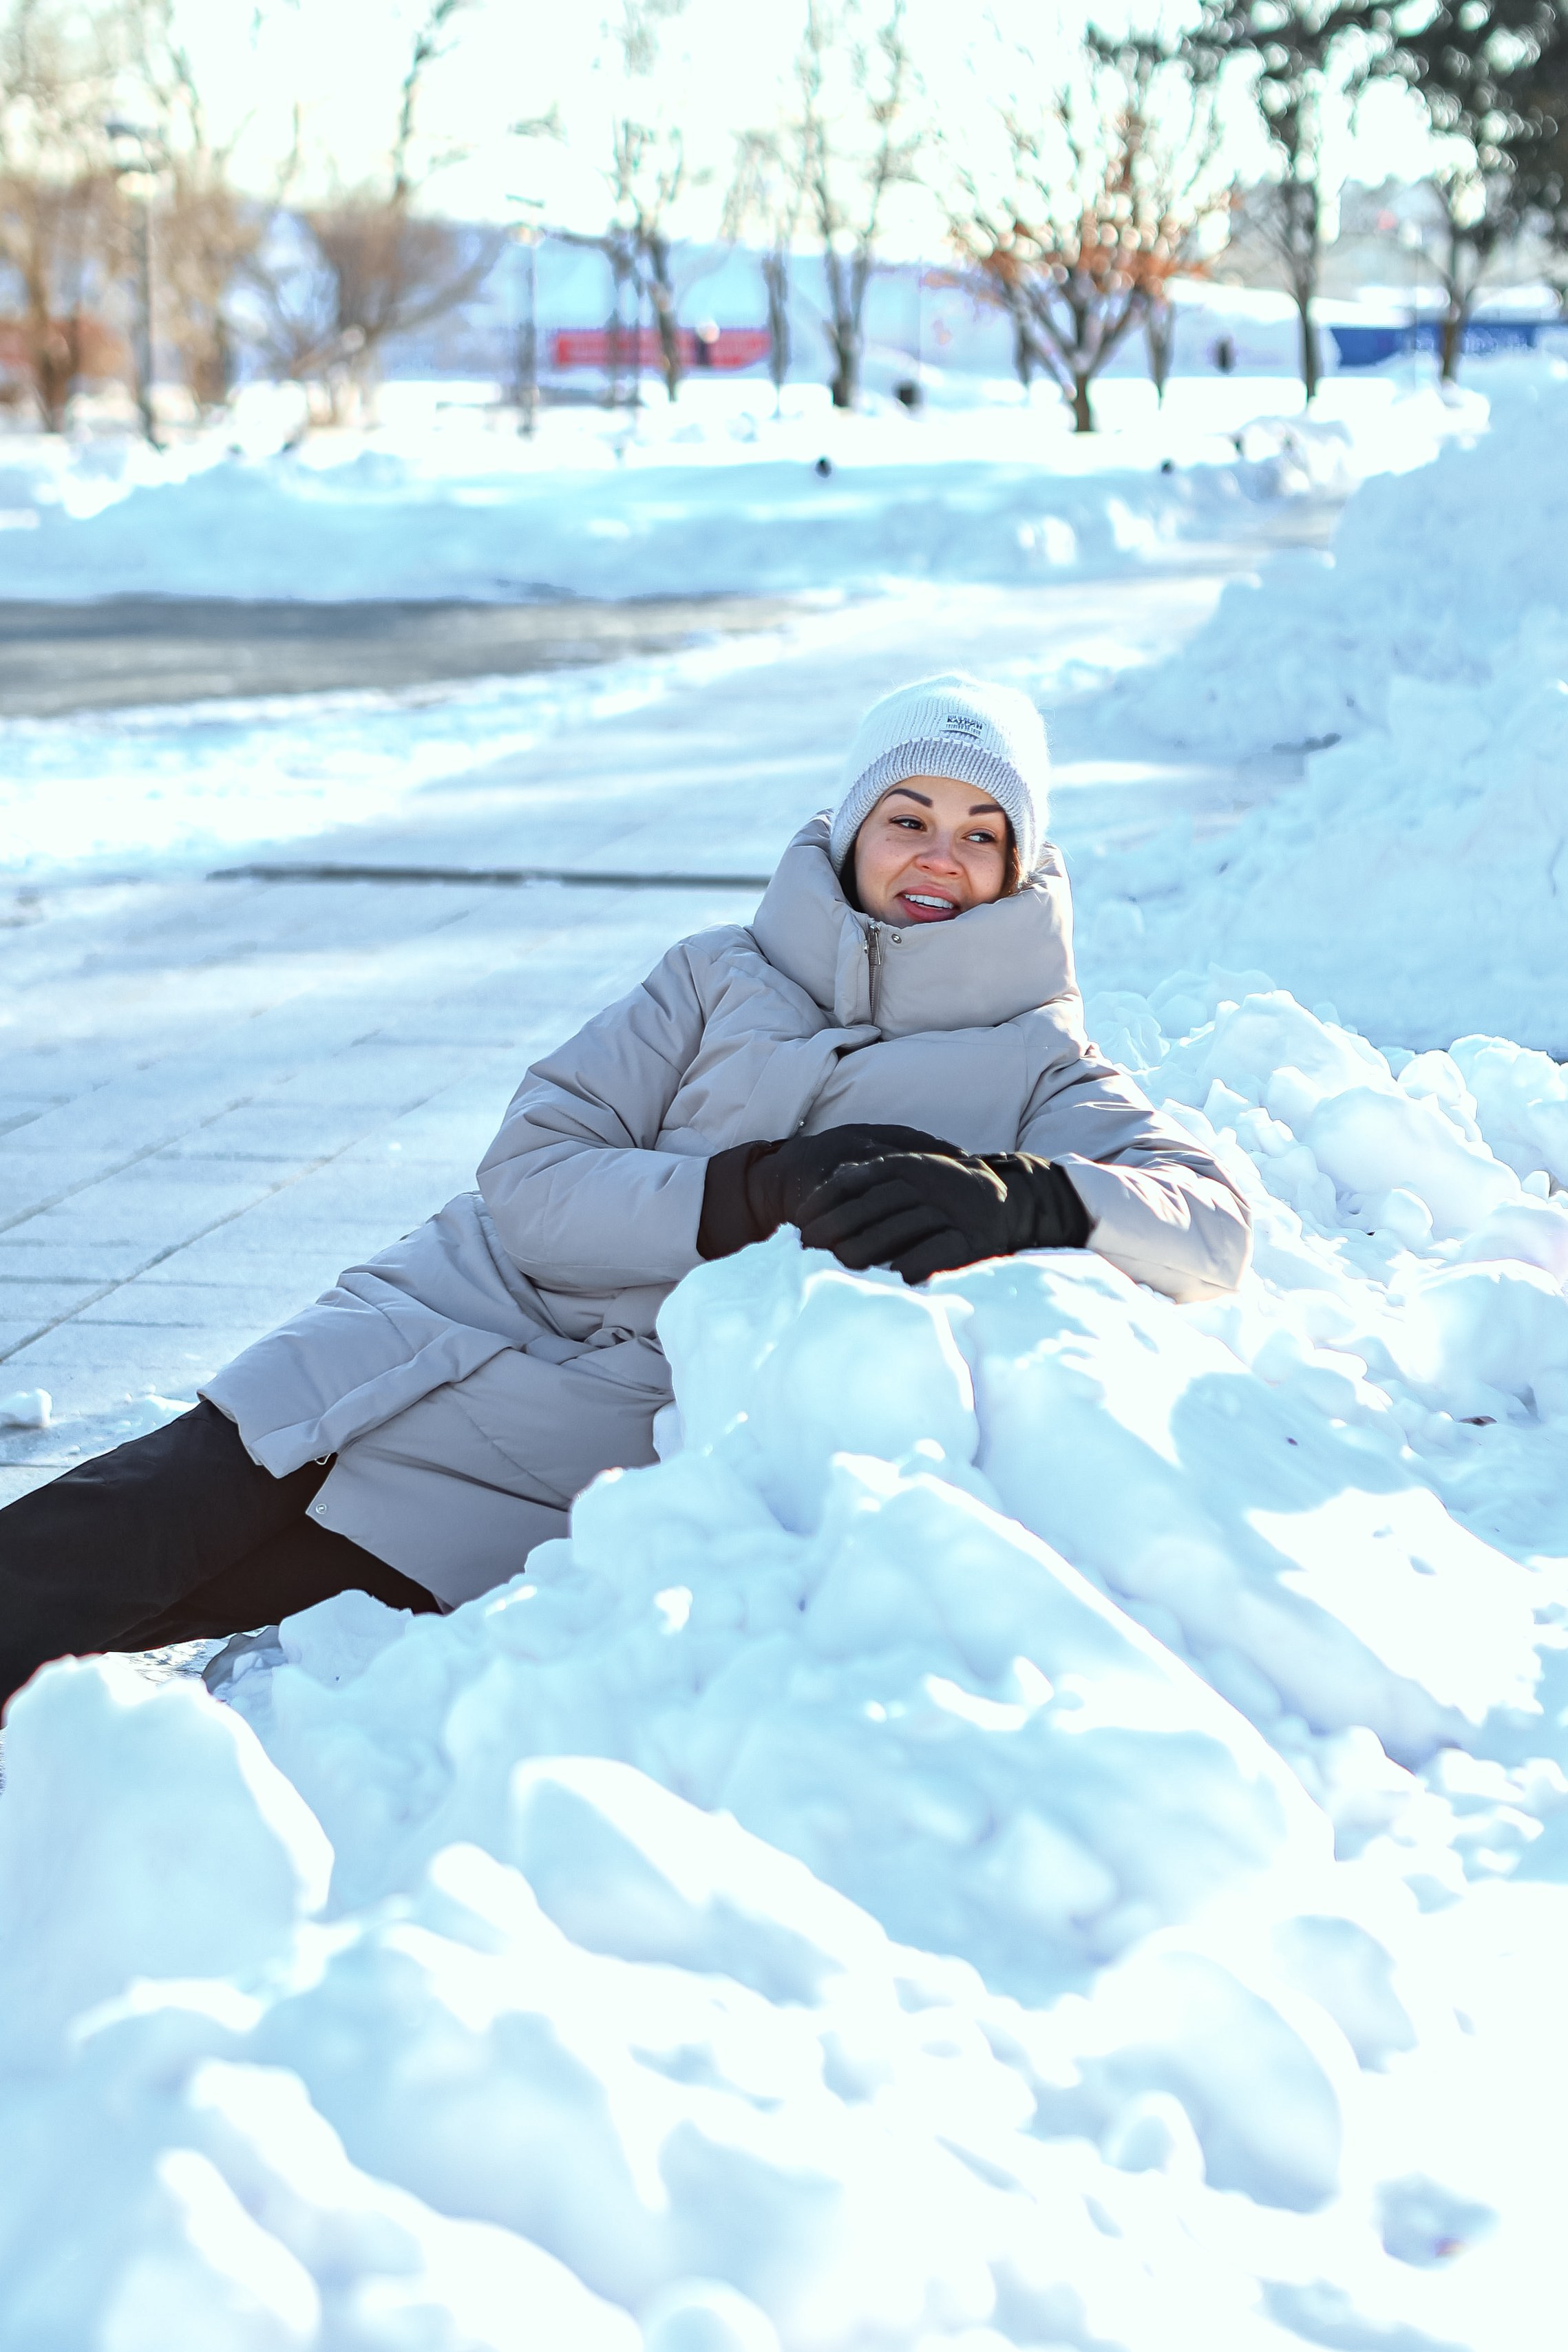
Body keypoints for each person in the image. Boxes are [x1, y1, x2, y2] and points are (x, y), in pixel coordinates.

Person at [0, 675, 1250, 1706]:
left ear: (1020, 864)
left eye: (982, 832)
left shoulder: (1034, 1059)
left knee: (187, 1601)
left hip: (555, 1450)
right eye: (908, 816)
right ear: (851, 829)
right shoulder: (713, 976)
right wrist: (750, 1190)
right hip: (419, 1323)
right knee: (91, 1539)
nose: (938, 856)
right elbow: (530, 1173)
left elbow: (1213, 1222)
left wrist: (1024, 1198)